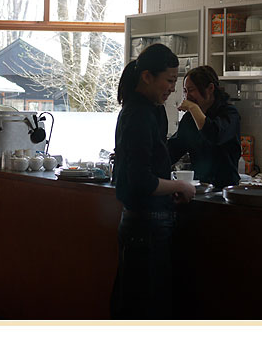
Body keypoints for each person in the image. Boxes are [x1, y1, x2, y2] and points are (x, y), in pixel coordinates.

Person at [110, 43, 196, 320]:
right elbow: (141, 181)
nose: (172, 88)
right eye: (169, 81)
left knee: (141, 302)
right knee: (146, 307)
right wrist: (180, 186)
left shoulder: (151, 110)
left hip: (146, 222)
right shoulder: (138, 115)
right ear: (147, 76)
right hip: (146, 226)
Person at [167, 65, 241, 189]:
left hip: (226, 190)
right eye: (185, 91)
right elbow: (173, 150)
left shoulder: (229, 113)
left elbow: (214, 135)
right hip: (200, 188)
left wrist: (193, 107)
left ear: (210, 88)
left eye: (191, 90)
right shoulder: (190, 118)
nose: (187, 96)